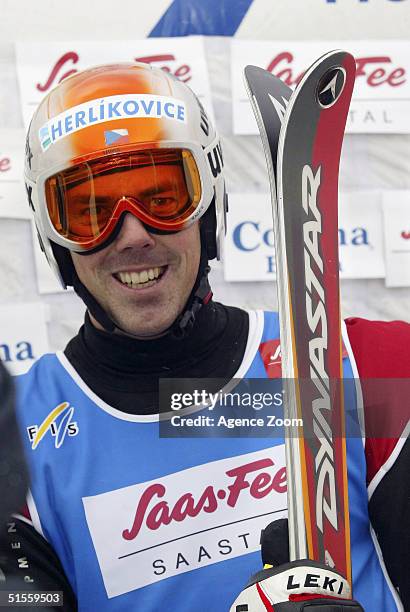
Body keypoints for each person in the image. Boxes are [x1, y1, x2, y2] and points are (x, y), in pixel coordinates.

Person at [2, 62, 407, 611]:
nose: (132, 233)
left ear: (210, 205)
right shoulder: (18, 437)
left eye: (163, 197)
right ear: (55, 240)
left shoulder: (367, 368)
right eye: (90, 210)